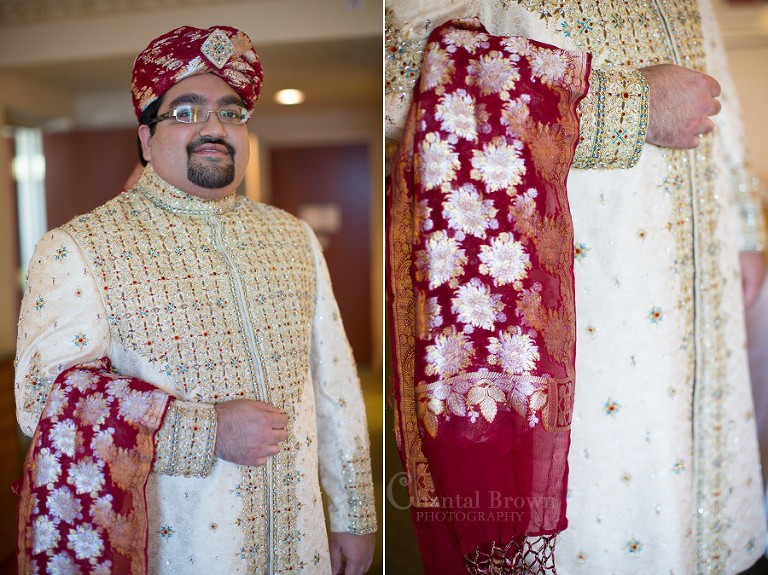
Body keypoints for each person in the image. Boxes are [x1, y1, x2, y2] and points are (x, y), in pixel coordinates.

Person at [386, 1, 767, 574]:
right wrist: (627, 105)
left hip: (707, 265)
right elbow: (401, 78)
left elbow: (717, 79)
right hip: (587, 288)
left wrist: (746, 224)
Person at [15, 25, 376, 574]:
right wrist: (206, 431)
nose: (213, 126)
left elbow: (337, 386)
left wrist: (354, 513)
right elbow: (42, 402)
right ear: (146, 139)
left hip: (300, 546)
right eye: (185, 112)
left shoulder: (292, 236)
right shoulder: (81, 246)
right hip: (181, 552)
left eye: (231, 112)